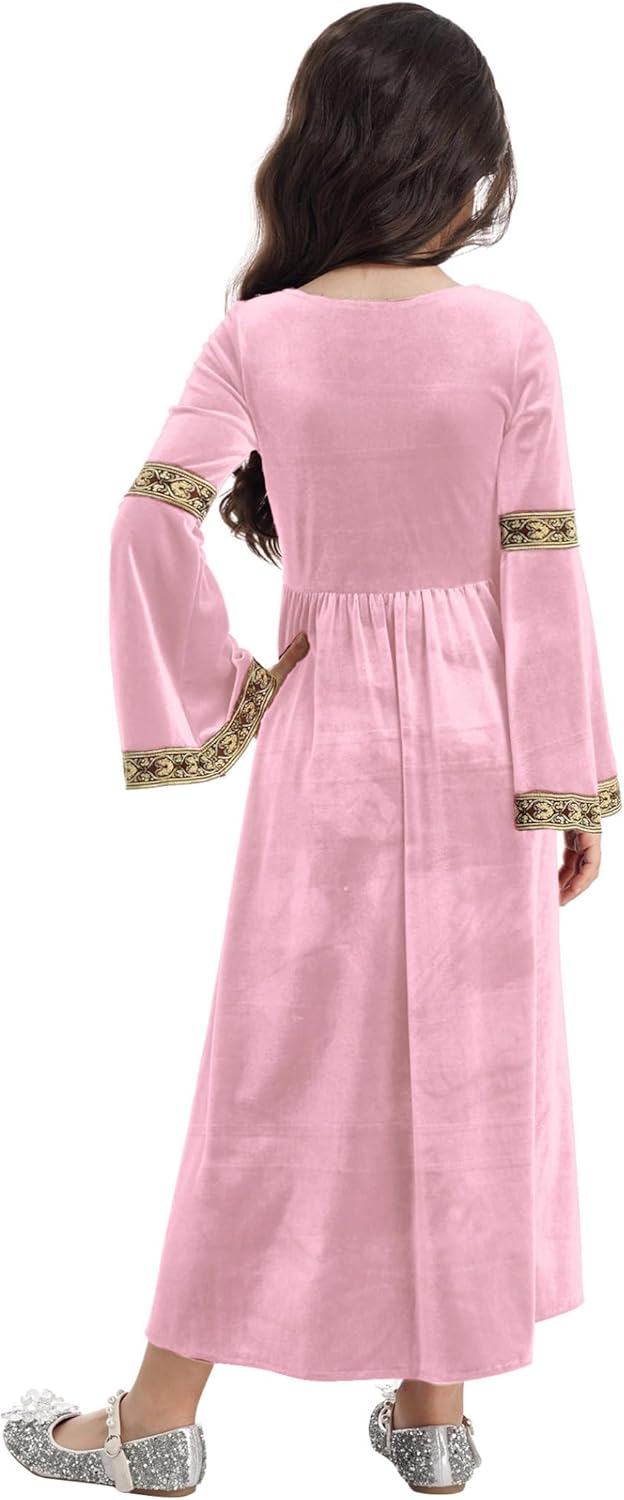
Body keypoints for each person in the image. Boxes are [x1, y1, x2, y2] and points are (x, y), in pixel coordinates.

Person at [3, 4, 620, 1495]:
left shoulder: (258, 336)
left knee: (273, 1074)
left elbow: (147, 520)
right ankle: (436, 1416)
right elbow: (540, 568)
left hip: (326, 743)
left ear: (323, 148)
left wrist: (229, 696)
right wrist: (570, 784)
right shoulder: (512, 337)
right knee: (471, 1066)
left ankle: (159, 1420)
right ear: (463, 163)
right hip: (486, 750)